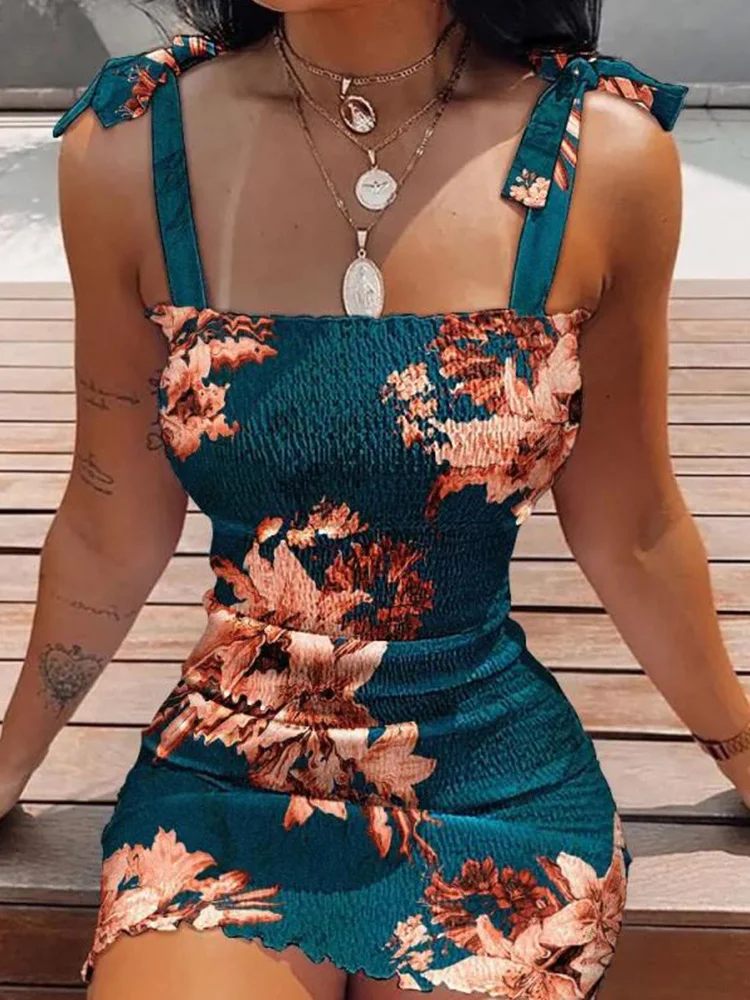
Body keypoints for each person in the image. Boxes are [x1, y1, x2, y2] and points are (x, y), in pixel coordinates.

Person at [1, 1, 748, 997]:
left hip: (492, 784)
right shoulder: (134, 146)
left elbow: (633, 529)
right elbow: (109, 518)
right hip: (231, 775)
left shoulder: (603, 153)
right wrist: (9, 763)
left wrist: (742, 750)